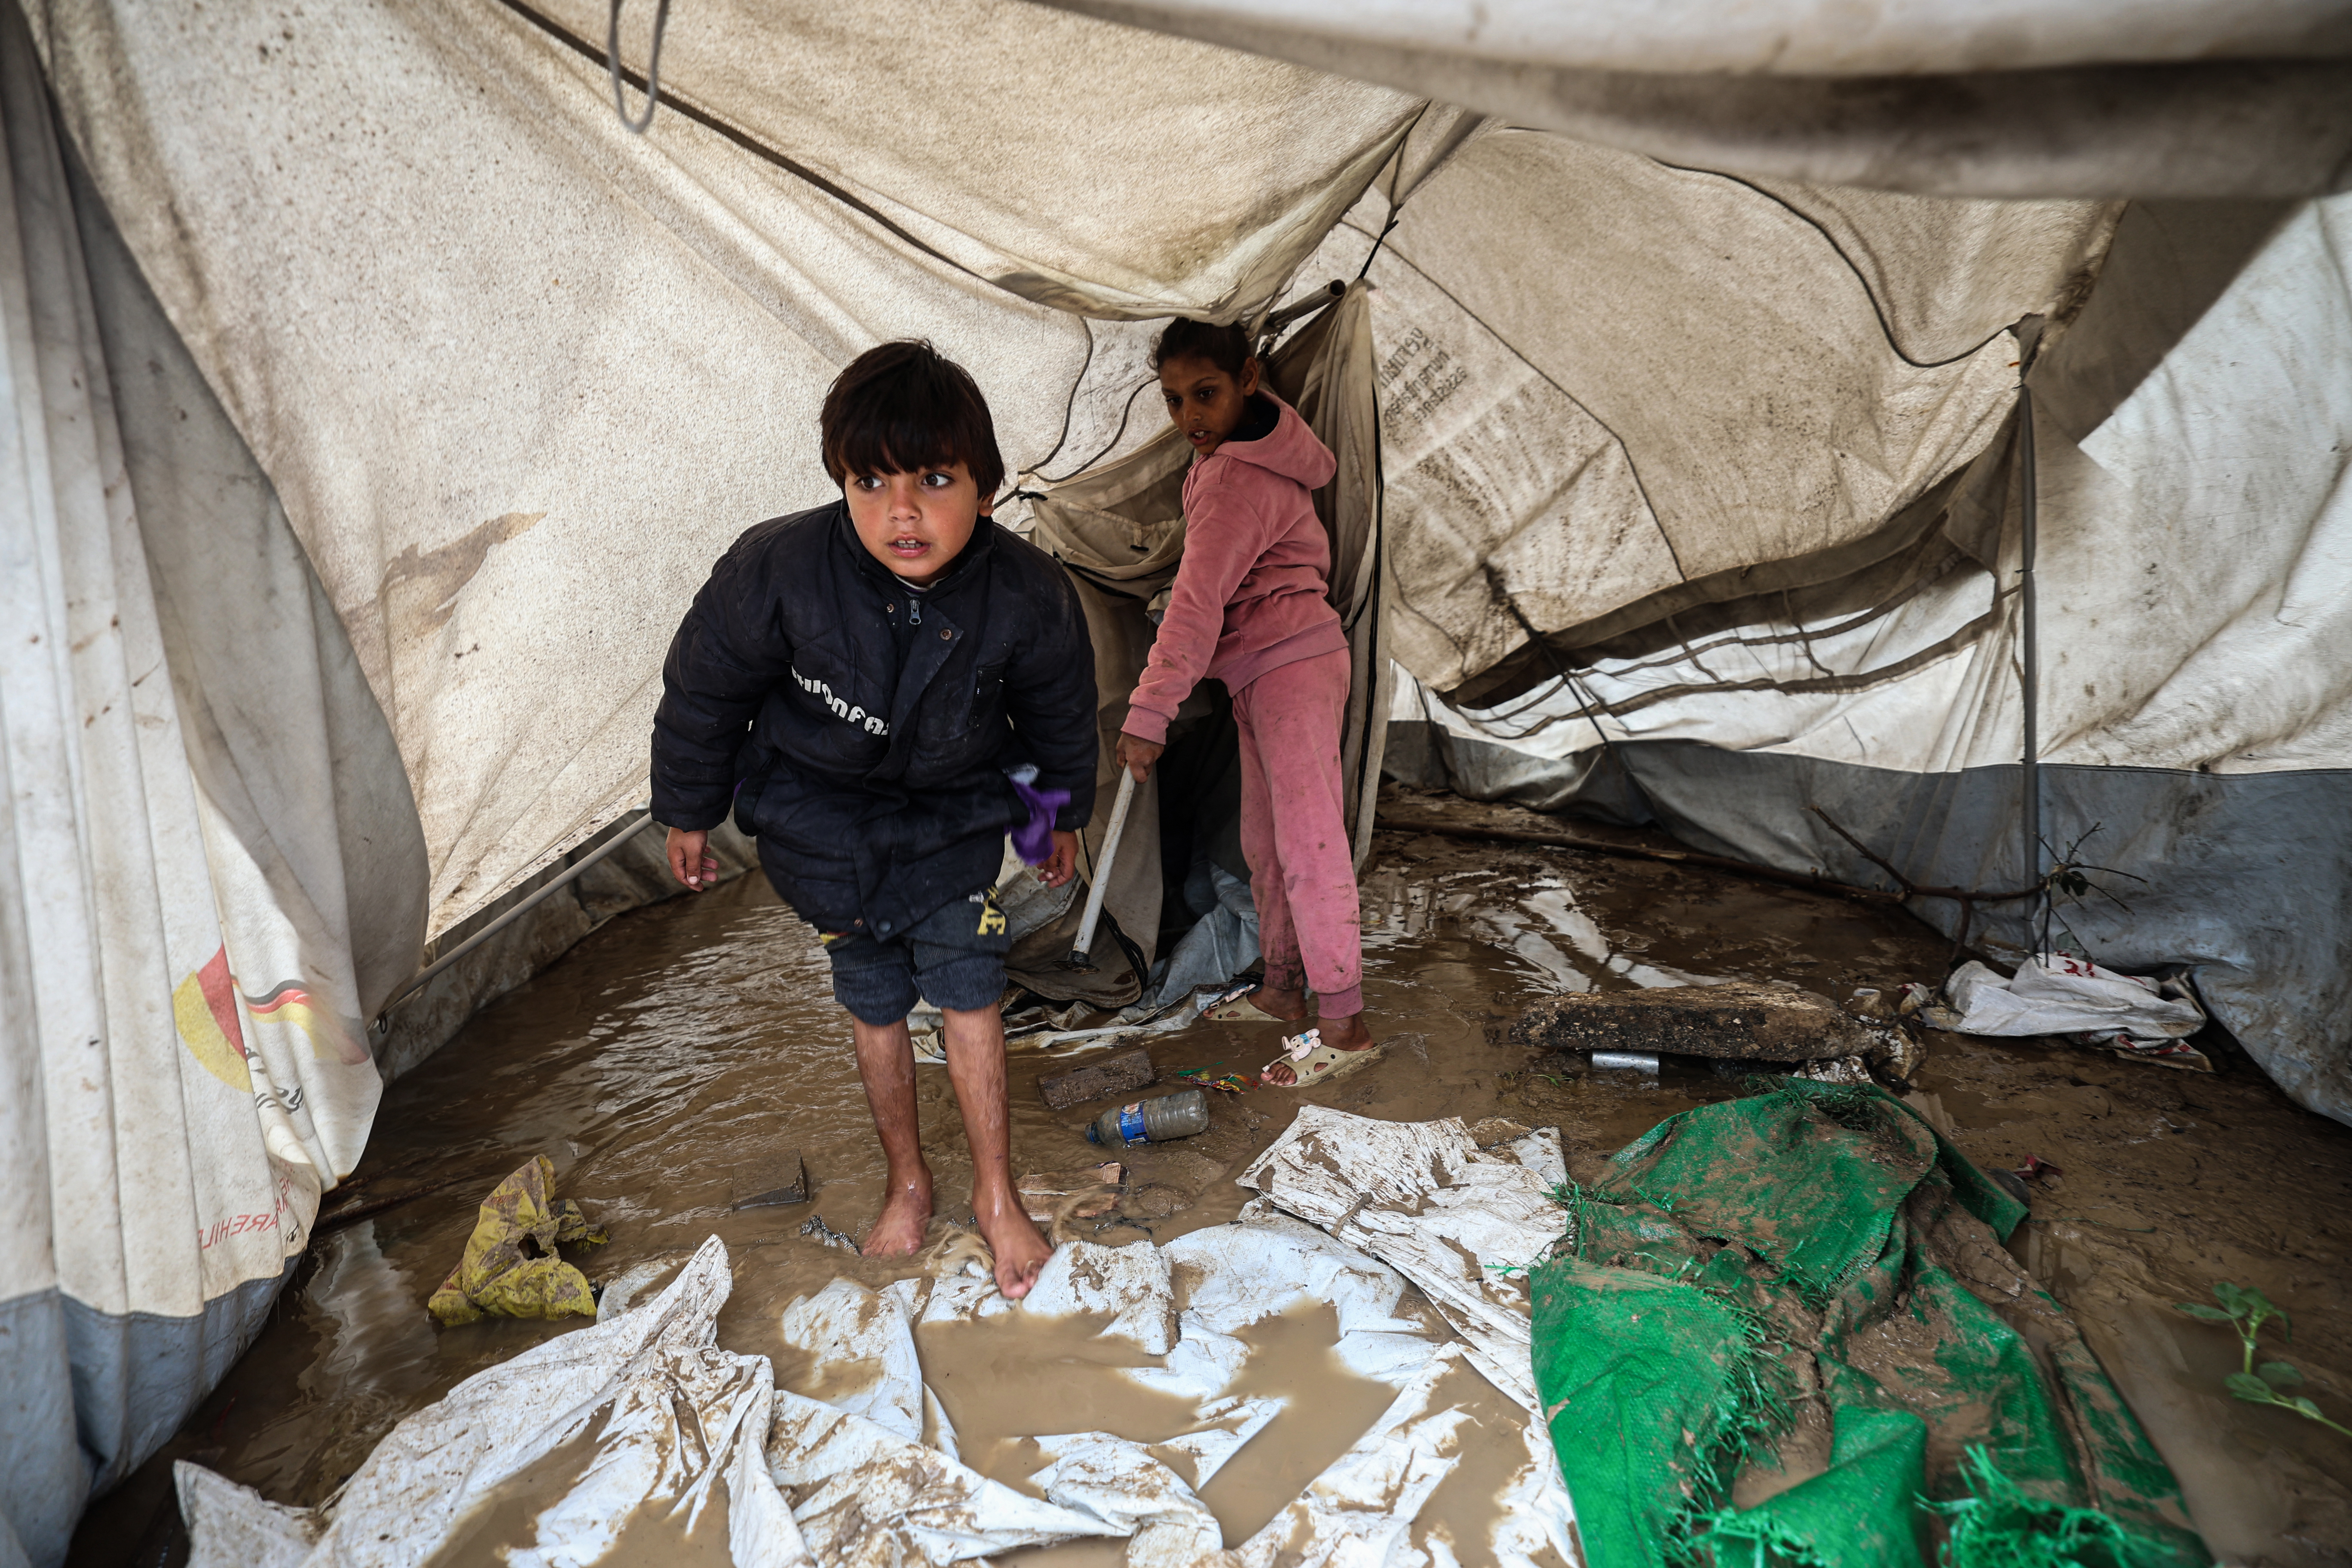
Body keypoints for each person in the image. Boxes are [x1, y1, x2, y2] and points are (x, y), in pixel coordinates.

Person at [649, 340, 1096, 1299]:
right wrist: (688, 809)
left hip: (951, 819)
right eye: (871, 481)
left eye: (935, 479)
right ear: (840, 483)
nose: (903, 511)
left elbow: (1057, 718)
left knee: (970, 986)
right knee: (873, 999)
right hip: (821, 825)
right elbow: (705, 692)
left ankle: (994, 1191)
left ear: (984, 488)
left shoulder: (1025, 593)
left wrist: (1053, 818)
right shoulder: (775, 569)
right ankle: (909, 1179)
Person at [1114, 319, 1377, 1089]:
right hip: (1264, 669)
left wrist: (1147, 716)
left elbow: (1198, 606)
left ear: (1250, 380)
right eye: (1173, 402)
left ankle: (1346, 1025)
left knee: (1309, 846)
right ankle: (1283, 988)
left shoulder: (1235, 476)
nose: (1190, 417)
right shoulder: (1247, 457)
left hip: (1289, 667)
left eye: (1206, 394)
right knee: (1266, 844)